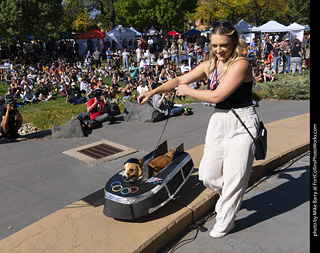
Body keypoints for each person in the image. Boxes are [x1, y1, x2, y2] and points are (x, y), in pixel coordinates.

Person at [138, 21, 260, 238]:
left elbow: (216, 96)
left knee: (235, 176)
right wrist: (153, 91)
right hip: (219, 122)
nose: (218, 50)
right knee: (207, 175)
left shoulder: (241, 64)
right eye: (214, 45)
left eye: (223, 45)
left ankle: (225, 219)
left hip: (242, 122)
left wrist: (188, 91)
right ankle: (231, 196)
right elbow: (179, 80)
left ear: (233, 42)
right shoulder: (210, 65)